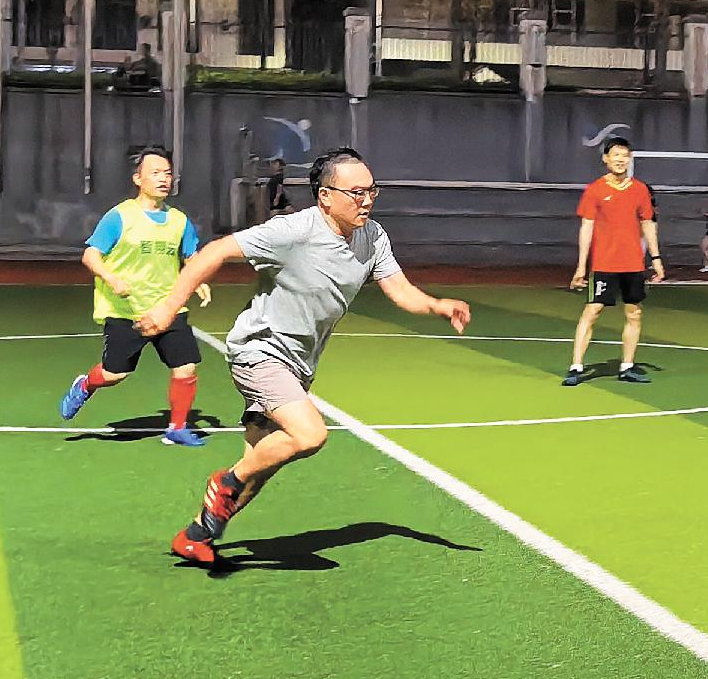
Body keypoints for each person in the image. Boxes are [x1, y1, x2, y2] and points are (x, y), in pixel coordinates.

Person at [136, 147, 472, 567]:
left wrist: (436, 305)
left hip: (299, 364)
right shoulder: (292, 231)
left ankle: (195, 535)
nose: (367, 200)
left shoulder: (373, 236)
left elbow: (399, 289)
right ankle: (226, 482)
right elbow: (215, 251)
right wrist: (169, 308)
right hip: (260, 350)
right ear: (325, 196)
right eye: (356, 192)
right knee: (309, 435)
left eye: (372, 191)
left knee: (261, 464)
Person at [58, 145, 213, 446]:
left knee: (185, 367)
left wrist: (198, 281)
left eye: (167, 173)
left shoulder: (179, 221)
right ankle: (86, 385)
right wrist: (111, 278)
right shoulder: (119, 217)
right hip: (126, 311)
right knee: (114, 374)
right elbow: (91, 255)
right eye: (155, 173)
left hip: (168, 309)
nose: (163, 179)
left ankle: (177, 428)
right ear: (138, 179)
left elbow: (190, 257)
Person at [566, 135, 664, 385]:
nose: (621, 160)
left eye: (625, 156)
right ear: (606, 159)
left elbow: (648, 223)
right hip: (604, 263)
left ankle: (627, 366)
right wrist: (581, 266)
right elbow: (586, 228)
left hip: (633, 263)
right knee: (593, 310)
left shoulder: (639, 189)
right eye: (616, 155)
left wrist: (656, 258)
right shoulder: (595, 190)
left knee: (634, 313)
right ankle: (576, 366)